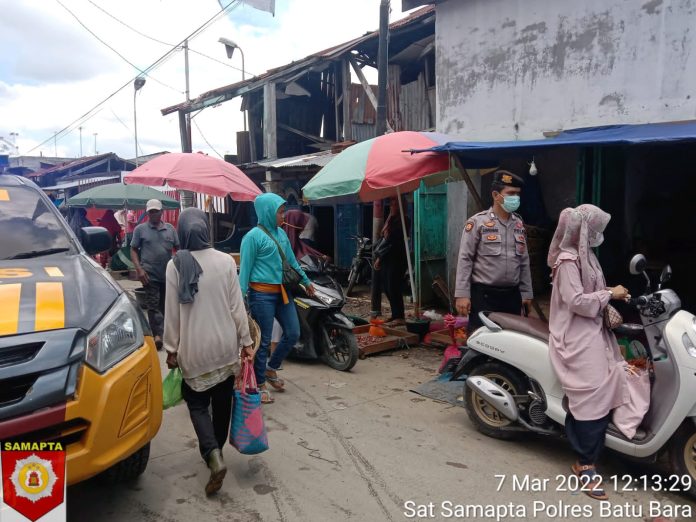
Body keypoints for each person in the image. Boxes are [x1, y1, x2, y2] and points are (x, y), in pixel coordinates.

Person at [163, 208, 254, 496]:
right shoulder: (226, 261)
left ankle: (213, 455)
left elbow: (171, 314)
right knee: (222, 399)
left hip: (195, 349)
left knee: (197, 402)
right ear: (205, 229)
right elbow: (237, 307)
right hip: (225, 346)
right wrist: (247, 341)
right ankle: (217, 449)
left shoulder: (175, 265)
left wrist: (171, 348)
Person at [547, 204, 631, 501]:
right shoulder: (568, 260)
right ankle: (585, 464)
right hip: (575, 333)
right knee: (592, 392)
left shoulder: (587, 256)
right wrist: (610, 293)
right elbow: (577, 301)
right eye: (595, 228)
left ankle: (590, 446)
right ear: (583, 230)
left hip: (593, 329)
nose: (598, 234)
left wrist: (611, 291)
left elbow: (590, 291)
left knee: (613, 378)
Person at [239, 193, 315, 404]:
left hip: (283, 291)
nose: (283, 215)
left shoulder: (281, 234)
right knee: (263, 341)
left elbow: (292, 262)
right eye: (280, 212)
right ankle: (260, 383)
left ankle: (272, 368)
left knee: (293, 332)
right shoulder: (252, 237)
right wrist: (239, 301)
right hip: (261, 294)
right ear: (267, 212)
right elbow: (244, 271)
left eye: (282, 211)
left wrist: (307, 282)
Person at [455, 170, 533, 331]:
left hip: (512, 296)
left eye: (518, 194)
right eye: (510, 193)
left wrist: (526, 294)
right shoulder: (477, 223)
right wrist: (462, 294)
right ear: (496, 195)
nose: (515, 198)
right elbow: (465, 259)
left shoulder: (518, 224)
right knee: (482, 342)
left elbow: (524, 262)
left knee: (510, 342)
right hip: (484, 296)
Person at [131, 199, 179, 350]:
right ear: (147, 213)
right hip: (149, 273)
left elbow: (178, 249)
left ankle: (167, 333)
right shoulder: (140, 229)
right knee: (153, 305)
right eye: (150, 212)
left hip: (168, 274)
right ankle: (157, 335)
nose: (153, 214)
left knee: (166, 305)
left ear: (161, 212)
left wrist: (178, 266)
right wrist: (139, 269)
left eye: (155, 211)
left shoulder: (170, 229)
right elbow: (133, 250)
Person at [374, 197, 410, 326]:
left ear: (400, 207)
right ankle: (395, 314)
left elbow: (392, 242)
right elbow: (384, 237)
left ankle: (400, 316)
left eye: (395, 205)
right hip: (388, 258)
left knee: (393, 287)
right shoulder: (391, 220)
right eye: (391, 205)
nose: (392, 207)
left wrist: (379, 257)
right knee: (387, 287)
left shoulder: (404, 220)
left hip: (397, 258)